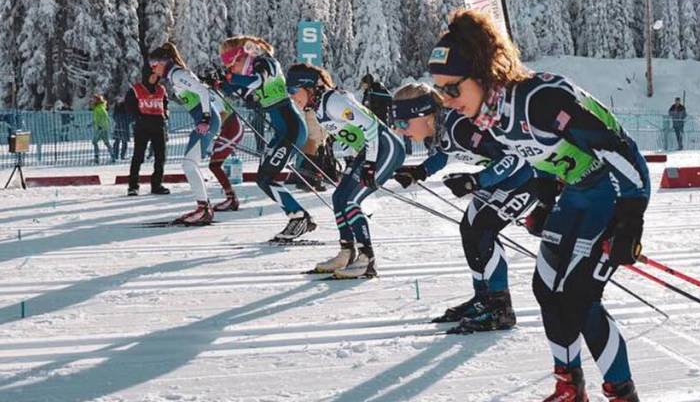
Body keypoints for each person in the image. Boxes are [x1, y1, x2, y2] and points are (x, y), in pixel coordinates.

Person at [428, 9, 651, 402]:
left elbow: (622, 151)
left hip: (612, 194)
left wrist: (629, 220)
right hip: (576, 196)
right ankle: (570, 393)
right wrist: (546, 200)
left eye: (452, 88)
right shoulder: (490, 114)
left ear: (481, 74)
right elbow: (542, 157)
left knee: (580, 297)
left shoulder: (538, 99)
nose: (448, 100)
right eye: (440, 93)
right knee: (547, 287)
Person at [390, 83, 559, 333]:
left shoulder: (460, 126)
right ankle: (483, 299)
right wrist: (420, 171)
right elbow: (445, 153)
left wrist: (475, 181)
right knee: (469, 228)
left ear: (424, 116)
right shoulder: (442, 128)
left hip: (528, 176)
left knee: (483, 228)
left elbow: (513, 158)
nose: (399, 130)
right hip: (503, 178)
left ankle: (501, 308)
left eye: (403, 123)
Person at [287, 63, 406, 275]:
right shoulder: (320, 106)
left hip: (386, 148)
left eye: (294, 91)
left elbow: (369, 127)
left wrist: (369, 163)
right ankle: (347, 251)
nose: (292, 97)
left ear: (308, 87)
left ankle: (367, 258)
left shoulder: (333, 101)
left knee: (351, 201)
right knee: (339, 198)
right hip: (369, 152)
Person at [218, 36, 311, 240]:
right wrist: (218, 82)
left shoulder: (266, 62)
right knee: (263, 179)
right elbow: (244, 91)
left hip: (292, 129)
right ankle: (297, 216)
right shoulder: (252, 68)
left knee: (266, 178)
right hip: (282, 132)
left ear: (242, 56)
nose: (230, 69)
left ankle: (299, 216)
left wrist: (230, 80)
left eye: (231, 64)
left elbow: (256, 82)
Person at [156, 43, 223, 225]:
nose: (154, 69)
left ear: (164, 61)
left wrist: (206, 119)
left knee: (189, 164)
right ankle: (203, 207)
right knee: (189, 164)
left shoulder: (177, 74)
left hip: (206, 120)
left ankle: (204, 209)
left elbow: (202, 91)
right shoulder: (174, 75)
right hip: (203, 119)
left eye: (155, 64)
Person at [125, 49, 171, 196]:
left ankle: (157, 185)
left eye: (156, 76)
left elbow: (165, 105)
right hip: (142, 127)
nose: (154, 78)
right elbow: (129, 106)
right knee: (138, 156)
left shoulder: (161, 90)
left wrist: (166, 115)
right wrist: (138, 118)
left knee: (160, 157)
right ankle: (133, 186)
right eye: (151, 76)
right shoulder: (136, 89)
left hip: (159, 126)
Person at [200, 67, 245, 212]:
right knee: (214, 165)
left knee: (214, 165)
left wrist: (211, 131)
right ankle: (231, 197)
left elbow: (222, 114)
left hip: (233, 129)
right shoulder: (212, 91)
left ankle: (232, 199)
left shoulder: (211, 93)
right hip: (228, 129)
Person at [91, 94, 112, 164]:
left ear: (97, 100)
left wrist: (101, 125)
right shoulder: (97, 108)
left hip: (101, 128)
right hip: (101, 128)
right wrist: (92, 123)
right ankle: (113, 156)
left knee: (94, 141)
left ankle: (96, 158)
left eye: (94, 99)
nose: (92, 101)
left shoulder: (100, 108)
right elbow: (97, 118)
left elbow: (105, 117)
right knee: (106, 142)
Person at [111, 97, 131, 161]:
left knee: (118, 141)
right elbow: (130, 117)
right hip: (124, 126)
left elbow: (114, 116)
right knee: (123, 141)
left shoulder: (118, 108)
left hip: (118, 125)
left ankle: (116, 155)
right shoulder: (127, 107)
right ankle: (121, 155)